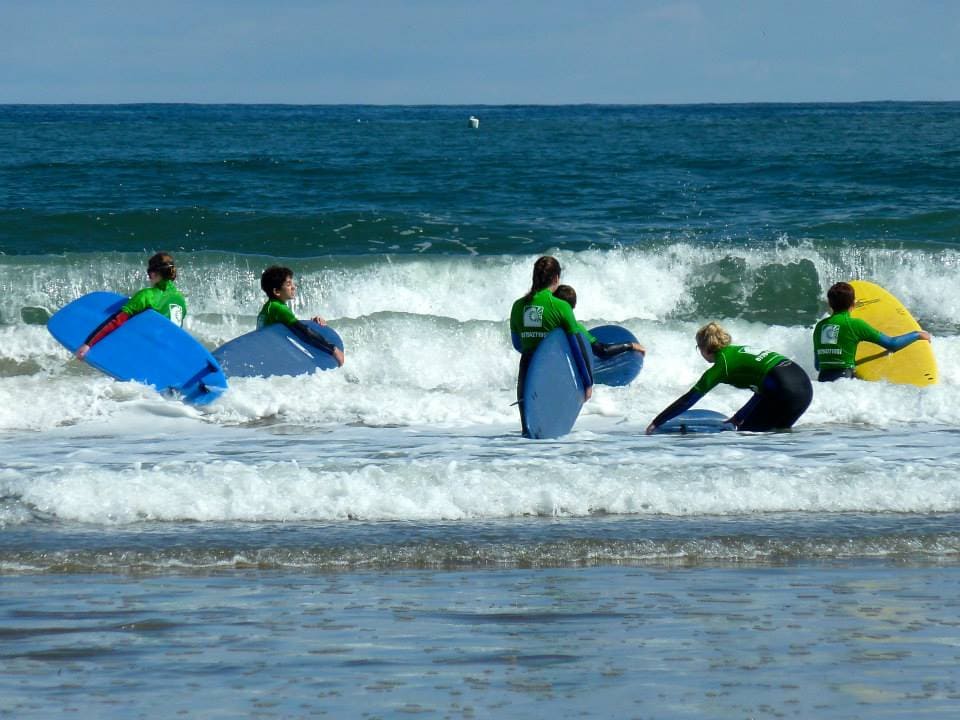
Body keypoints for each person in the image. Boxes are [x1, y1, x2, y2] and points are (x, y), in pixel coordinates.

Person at [645, 321, 812, 434]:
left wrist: (657, 422)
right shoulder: (739, 351)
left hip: (784, 389)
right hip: (803, 387)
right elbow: (763, 390)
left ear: (704, 348)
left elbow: (688, 400)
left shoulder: (722, 365)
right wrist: (739, 417)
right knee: (778, 437)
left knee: (750, 437)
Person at [509, 256, 593, 436]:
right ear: (556, 278)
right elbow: (576, 348)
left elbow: (518, 345)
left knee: (528, 432)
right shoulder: (562, 307)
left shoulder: (517, 306)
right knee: (550, 434)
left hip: (527, 372)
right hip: (554, 372)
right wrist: (587, 383)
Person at [813, 281, 931, 382]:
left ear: (829, 304)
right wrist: (917, 334)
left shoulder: (820, 327)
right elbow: (892, 344)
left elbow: (818, 365)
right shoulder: (855, 324)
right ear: (853, 304)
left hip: (823, 383)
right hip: (845, 382)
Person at [76, 252, 186, 360]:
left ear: (153, 273)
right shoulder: (180, 300)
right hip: (171, 355)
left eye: (149, 274)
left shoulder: (148, 295)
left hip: (150, 353)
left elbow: (117, 320)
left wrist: (88, 344)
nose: (149, 278)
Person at [258, 265, 345, 367]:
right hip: (275, 357)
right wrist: (333, 349)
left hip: (267, 352)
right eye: (288, 284)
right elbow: (303, 332)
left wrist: (312, 324)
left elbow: (290, 327)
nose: (294, 287)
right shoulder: (279, 308)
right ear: (276, 291)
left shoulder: (269, 306)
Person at [553, 284, 646, 358]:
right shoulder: (575, 328)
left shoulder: (544, 321)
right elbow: (602, 351)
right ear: (574, 306)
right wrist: (630, 345)